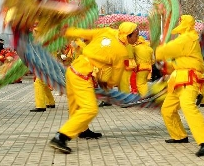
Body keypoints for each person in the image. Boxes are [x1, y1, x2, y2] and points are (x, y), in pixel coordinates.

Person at [49, 22, 139, 154]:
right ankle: (61, 137)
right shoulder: (122, 52)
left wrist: (67, 31)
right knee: (90, 109)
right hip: (82, 75)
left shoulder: (107, 31)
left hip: (73, 70)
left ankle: (82, 130)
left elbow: (84, 33)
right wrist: (108, 85)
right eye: (136, 35)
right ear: (128, 35)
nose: (137, 38)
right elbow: (116, 74)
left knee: (75, 106)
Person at [156, 15, 204, 157]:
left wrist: (157, 50)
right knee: (167, 109)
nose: (179, 23)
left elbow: (166, 50)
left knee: (189, 108)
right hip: (178, 79)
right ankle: (179, 136)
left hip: (189, 78)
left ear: (187, 25)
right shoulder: (185, 38)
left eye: (181, 21)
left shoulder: (188, 38)